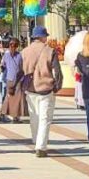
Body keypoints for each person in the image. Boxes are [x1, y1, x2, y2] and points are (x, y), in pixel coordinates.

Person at [21, 27, 62, 158]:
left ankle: (35, 140)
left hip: (30, 88)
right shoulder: (50, 51)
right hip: (46, 88)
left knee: (34, 117)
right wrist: (56, 87)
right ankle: (41, 146)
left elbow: (19, 70)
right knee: (45, 118)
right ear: (43, 37)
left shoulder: (25, 51)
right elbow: (57, 72)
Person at [0, 39, 27, 123]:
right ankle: (14, 117)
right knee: (16, 98)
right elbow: (21, 68)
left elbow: (2, 66)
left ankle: (4, 114)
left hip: (11, 78)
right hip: (17, 79)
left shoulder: (6, 55)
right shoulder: (19, 55)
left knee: (10, 97)